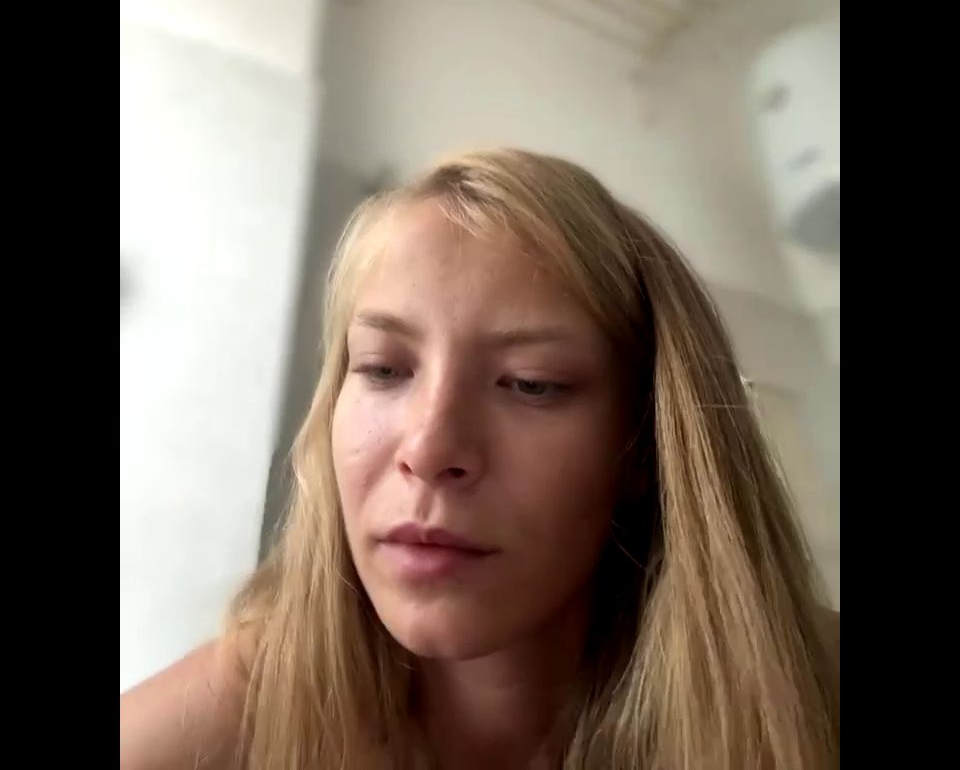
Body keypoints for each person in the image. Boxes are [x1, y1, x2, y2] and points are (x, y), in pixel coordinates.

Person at [120, 148, 840, 770]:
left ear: (643, 445)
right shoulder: (259, 692)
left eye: (532, 383)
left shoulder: (807, 690)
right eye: (383, 369)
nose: (429, 448)